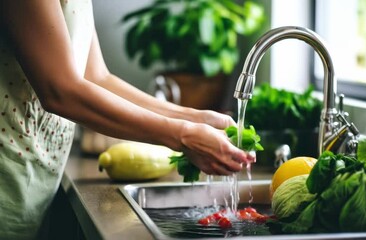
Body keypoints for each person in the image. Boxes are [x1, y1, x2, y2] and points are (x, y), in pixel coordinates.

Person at [0, 0, 254, 238]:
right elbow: (59, 90)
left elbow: (96, 78)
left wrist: (195, 118)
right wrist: (183, 135)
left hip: (35, 183)